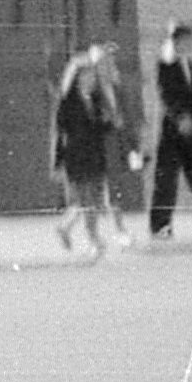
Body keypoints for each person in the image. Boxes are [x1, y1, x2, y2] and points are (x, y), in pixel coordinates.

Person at [49, 44, 132, 258]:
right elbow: (60, 134)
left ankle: (68, 229)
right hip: (76, 158)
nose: (90, 80)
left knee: (91, 201)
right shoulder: (68, 103)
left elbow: (100, 128)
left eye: (92, 76)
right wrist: (57, 163)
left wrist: (111, 123)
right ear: (76, 78)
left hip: (95, 156)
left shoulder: (95, 101)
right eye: (86, 76)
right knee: (86, 202)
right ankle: (94, 241)